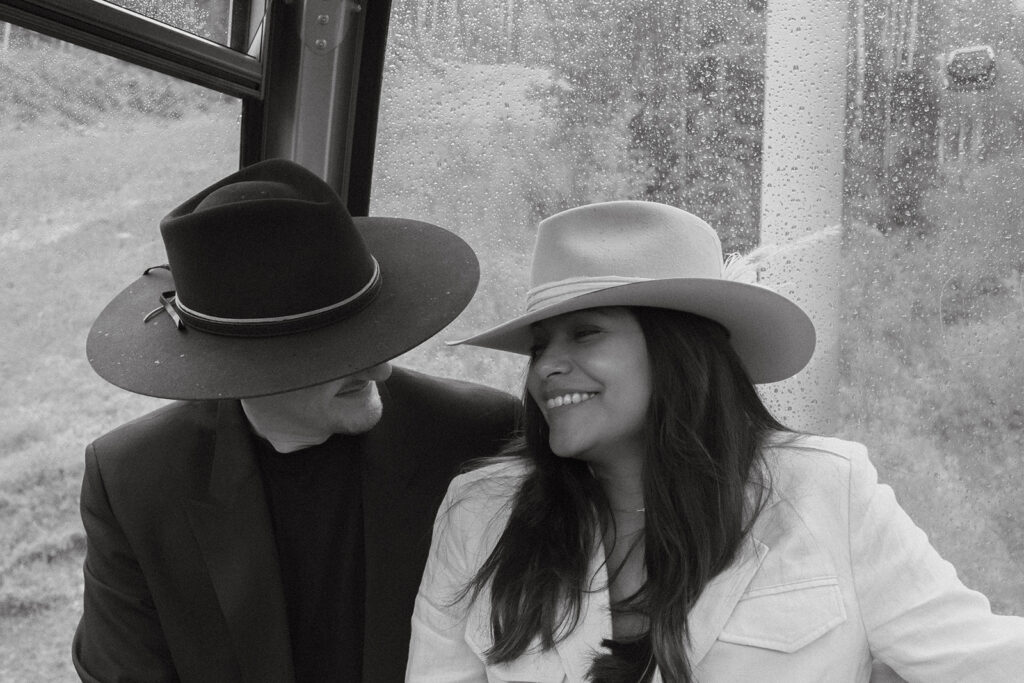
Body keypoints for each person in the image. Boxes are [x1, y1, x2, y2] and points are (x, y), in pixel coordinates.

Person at [406, 200, 1024, 682]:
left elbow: (977, 657)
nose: (546, 367)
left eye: (584, 334)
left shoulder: (824, 489)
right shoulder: (482, 511)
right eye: (540, 345)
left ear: (678, 348)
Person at [72, 159, 518, 683]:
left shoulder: (479, 435)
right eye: (338, 354)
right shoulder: (135, 478)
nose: (382, 366)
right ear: (243, 368)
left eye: (376, 335)